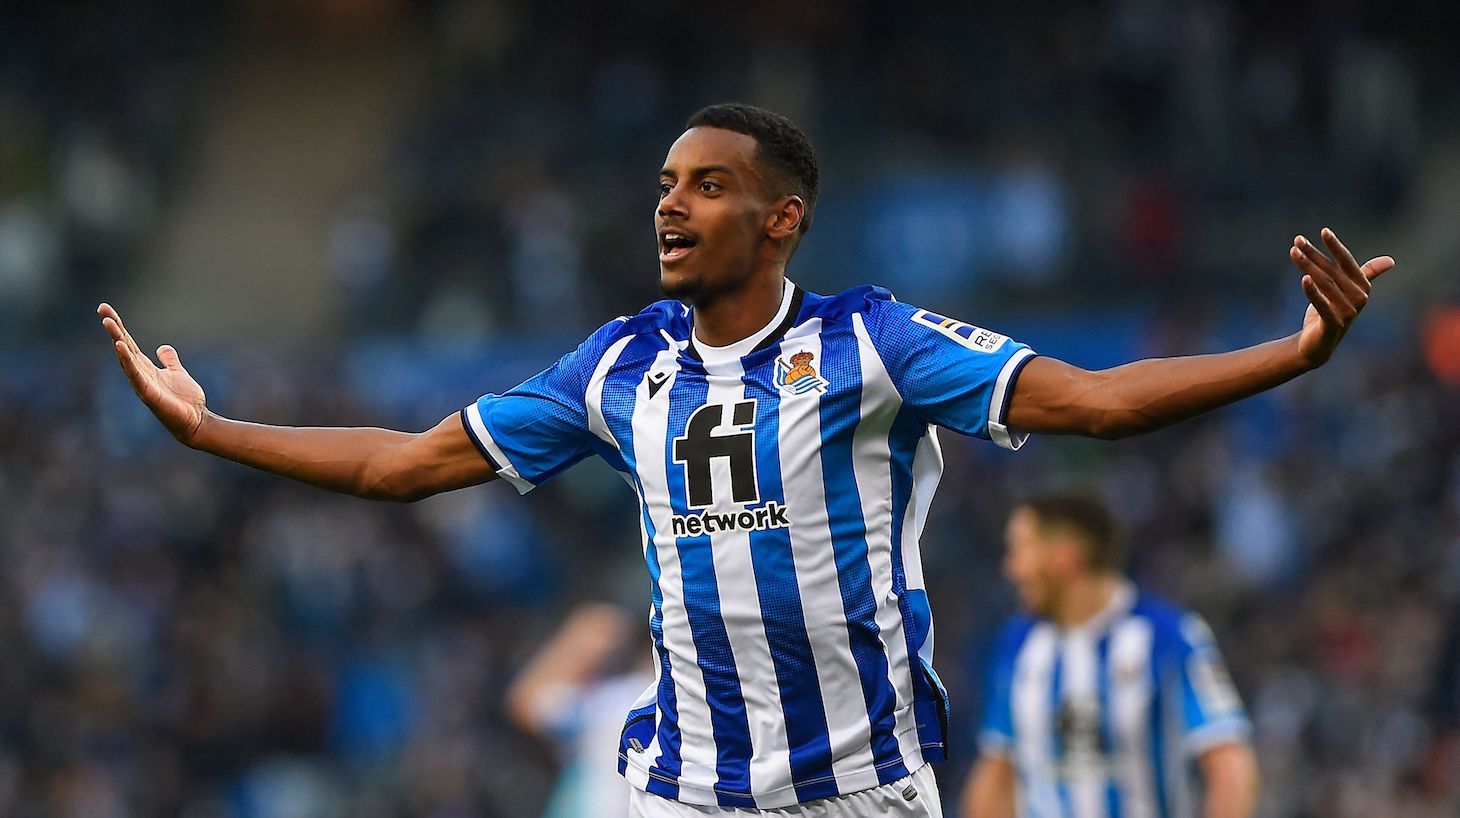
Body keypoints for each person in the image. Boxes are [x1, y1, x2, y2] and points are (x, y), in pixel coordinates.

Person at [97, 103, 1391, 817]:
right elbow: (403, 464)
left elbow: (1099, 400)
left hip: (860, 792)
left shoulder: (872, 341)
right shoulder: (617, 365)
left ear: (782, 220)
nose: (669, 202)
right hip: (685, 789)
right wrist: (212, 429)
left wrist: (1293, 353)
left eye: (707, 185)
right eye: (665, 180)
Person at [959, 495, 1258, 818]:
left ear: (1065, 556)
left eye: (1021, 550)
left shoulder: (1170, 637)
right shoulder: (1016, 644)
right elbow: (996, 771)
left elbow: (1230, 768)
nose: (1011, 569)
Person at [506, 602, 656, 818]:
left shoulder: (628, 699)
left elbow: (527, 700)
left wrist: (579, 642)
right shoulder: (627, 698)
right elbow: (528, 705)